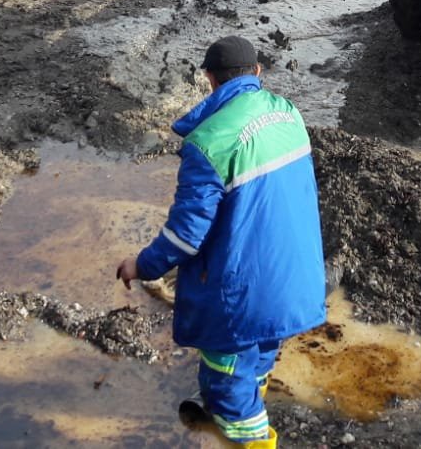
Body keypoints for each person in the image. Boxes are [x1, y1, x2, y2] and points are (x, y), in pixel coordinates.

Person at [115, 36, 326, 449]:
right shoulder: (287, 114)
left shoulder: (207, 142)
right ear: (258, 74)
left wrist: (142, 265)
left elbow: (185, 234)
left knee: (224, 376)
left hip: (246, 293)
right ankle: (250, 401)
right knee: (260, 351)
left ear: (208, 79)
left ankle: (250, 436)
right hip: (295, 274)